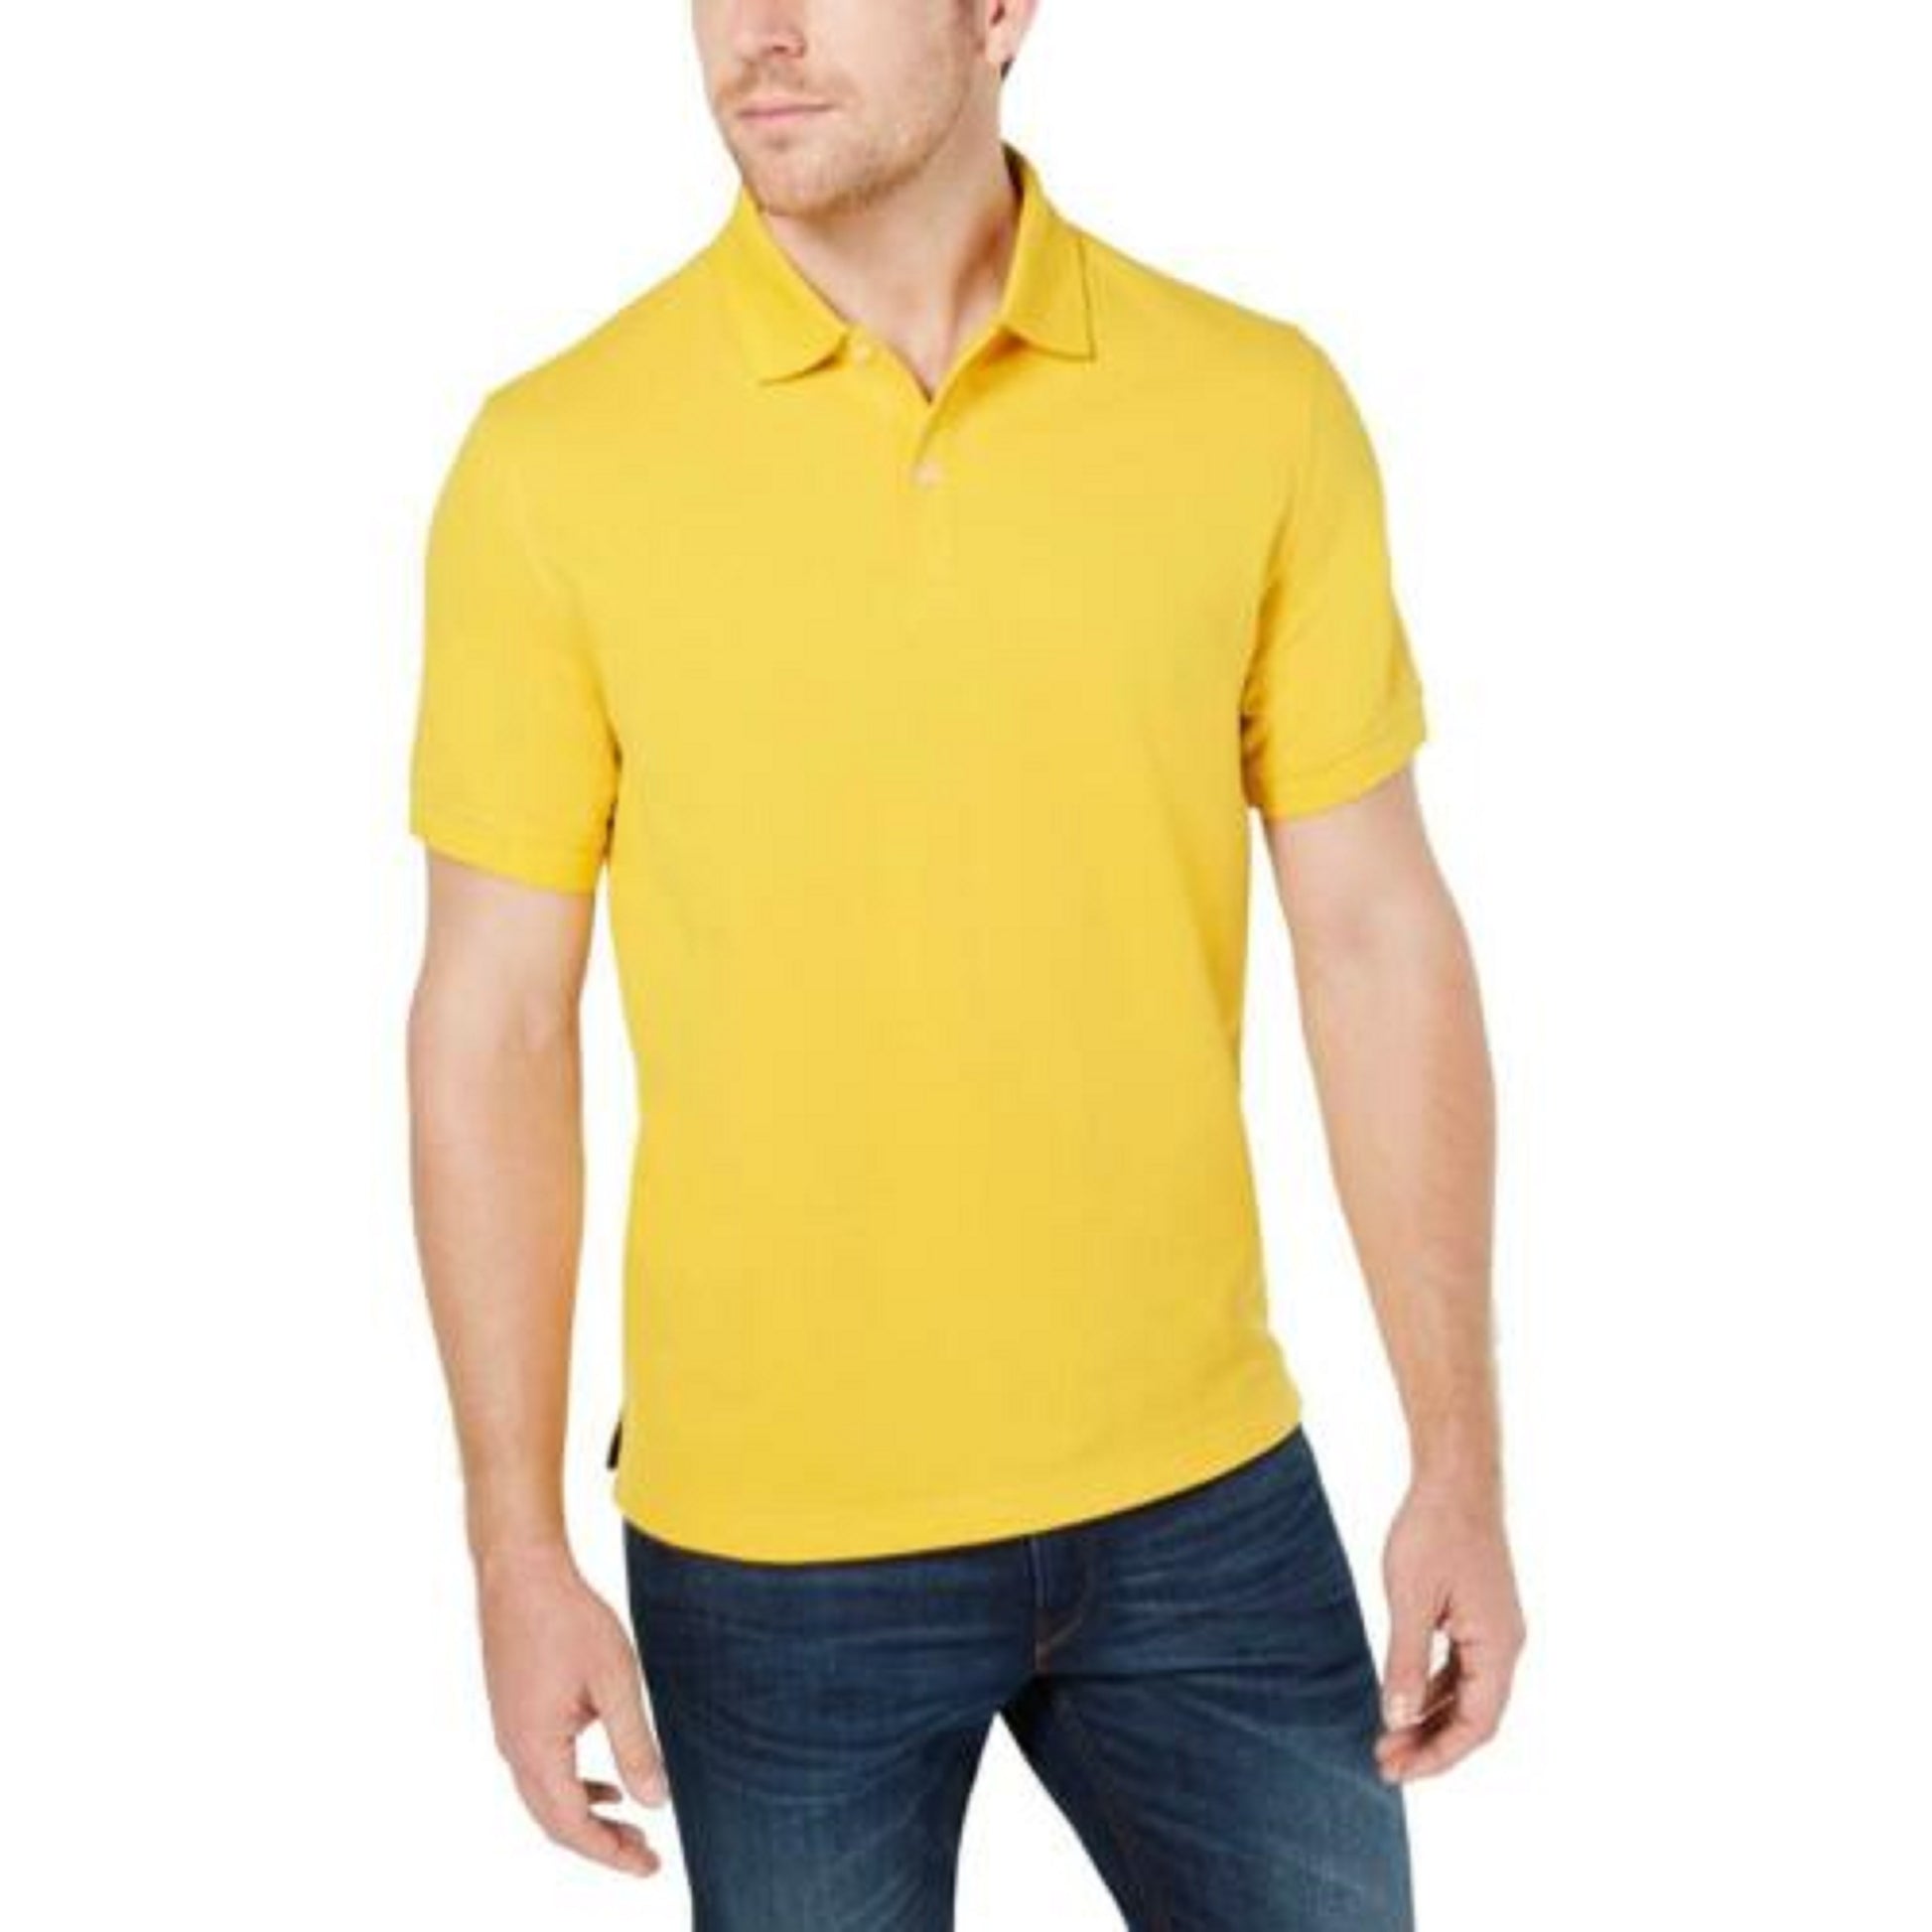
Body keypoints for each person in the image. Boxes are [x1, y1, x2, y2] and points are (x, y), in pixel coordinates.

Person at [405, 2, 1525, 1923]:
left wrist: (1457, 1459)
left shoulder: (1251, 407)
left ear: (998, 11)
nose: (757, 34)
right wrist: (514, 1548)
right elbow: (492, 1024)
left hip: (1204, 1496)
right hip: (770, 1547)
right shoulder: (552, 460)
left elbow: (1375, 933)